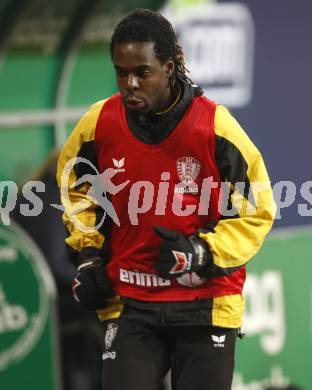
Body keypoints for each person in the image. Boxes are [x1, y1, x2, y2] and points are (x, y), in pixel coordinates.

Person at [57, 8, 275, 390]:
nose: (130, 84)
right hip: (130, 301)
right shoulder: (98, 123)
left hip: (205, 302)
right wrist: (88, 254)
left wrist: (202, 252)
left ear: (170, 68)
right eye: (121, 72)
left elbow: (256, 211)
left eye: (142, 72)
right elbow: (76, 190)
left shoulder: (215, 127)